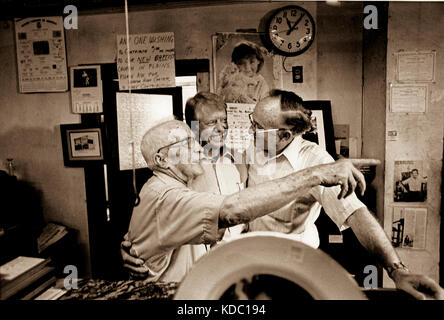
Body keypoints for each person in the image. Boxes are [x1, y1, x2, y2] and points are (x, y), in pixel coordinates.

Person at [245, 89, 443, 299]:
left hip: (291, 273)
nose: (249, 130)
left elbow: (354, 212)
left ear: (284, 135)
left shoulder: (315, 161)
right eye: (252, 120)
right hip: (249, 266)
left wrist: (397, 271)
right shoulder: (255, 147)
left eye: (257, 127)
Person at [122, 118, 372, 283]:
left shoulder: (173, 187)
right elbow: (233, 210)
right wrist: (316, 174)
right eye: (187, 144)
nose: (199, 148)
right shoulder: (167, 195)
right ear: (162, 160)